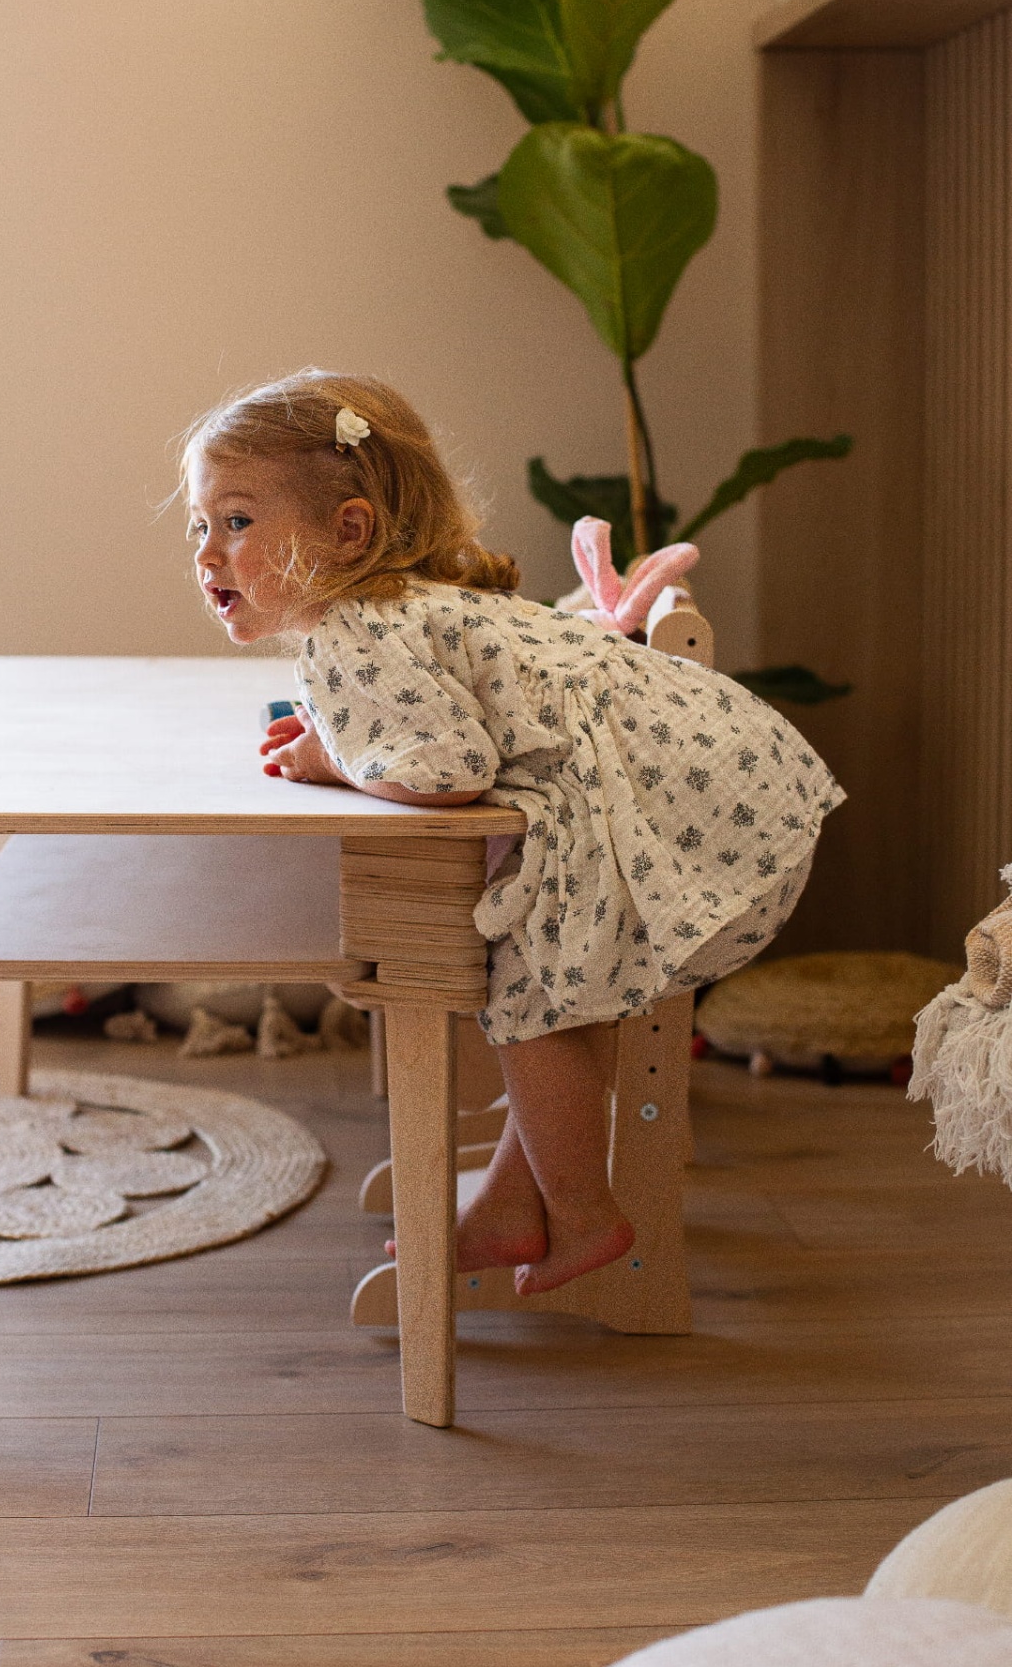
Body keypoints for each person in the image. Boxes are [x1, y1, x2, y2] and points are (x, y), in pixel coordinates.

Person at [183, 369, 844, 1293]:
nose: (209, 554)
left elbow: (446, 772)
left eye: (239, 521)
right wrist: (344, 741)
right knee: (563, 977)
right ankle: (508, 1205)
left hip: (678, 828)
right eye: (201, 525)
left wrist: (335, 763)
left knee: (525, 999)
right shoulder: (404, 606)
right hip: (729, 795)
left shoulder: (352, 633)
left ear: (348, 531)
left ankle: (584, 1215)